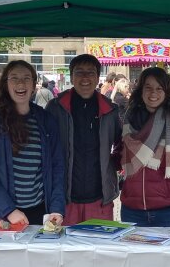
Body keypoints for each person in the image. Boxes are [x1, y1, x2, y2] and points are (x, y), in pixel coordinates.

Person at [0, 60, 65, 227]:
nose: (21, 83)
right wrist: (9, 210)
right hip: (0, 214)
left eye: (26, 78)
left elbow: (57, 167)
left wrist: (57, 208)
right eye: (14, 78)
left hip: (38, 213)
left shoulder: (45, 120)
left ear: (34, 84)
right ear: (6, 84)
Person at [45, 54, 122, 226]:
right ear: (71, 77)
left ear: (97, 77)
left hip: (101, 198)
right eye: (79, 72)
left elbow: (121, 144)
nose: (85, 78)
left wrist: (111, 166)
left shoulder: (111, 110)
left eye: (91, 72)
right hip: (65, 199)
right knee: (65, 250)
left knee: (99, 250)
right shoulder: (55, 108)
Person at [119, 67, 170, 227]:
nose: (153, 93)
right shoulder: (129, 119)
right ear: (141, 90)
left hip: (169, 212)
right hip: (131, 211)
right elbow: (118, 156)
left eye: (159, 88)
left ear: (166, 92)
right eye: (148, 88)